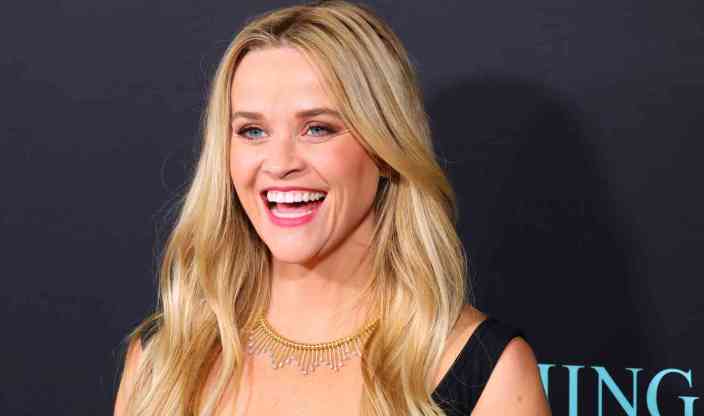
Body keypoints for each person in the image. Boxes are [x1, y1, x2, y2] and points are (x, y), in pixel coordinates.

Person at [114, 1, 551, 415]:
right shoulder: (163, 361)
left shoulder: (483, 371)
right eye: (251, 131)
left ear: (384, 148)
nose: (281, 163)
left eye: (317, 128)